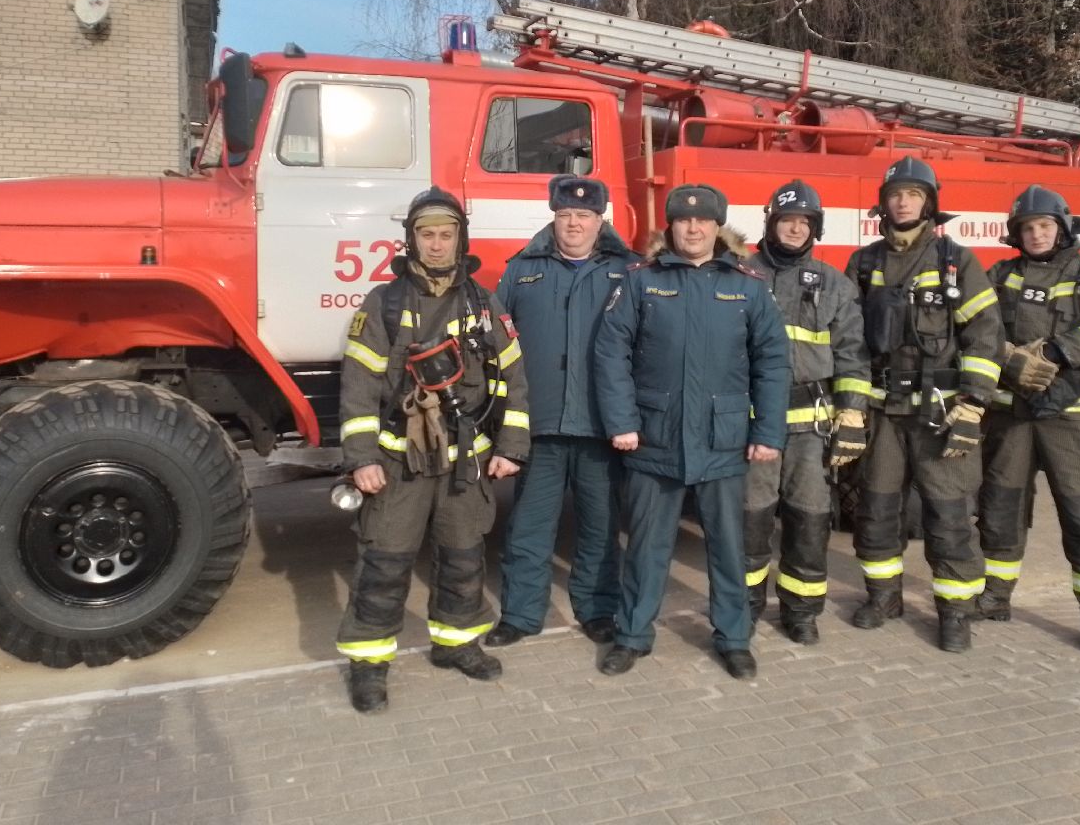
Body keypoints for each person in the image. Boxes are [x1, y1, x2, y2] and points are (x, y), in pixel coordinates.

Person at [335, 187, 530, 713]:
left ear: (460, 239)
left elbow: (514, 377)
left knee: (464, 558)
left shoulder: (484, 304)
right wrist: (362, 459)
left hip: (465, 462)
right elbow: (358, 387)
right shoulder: (383, 304)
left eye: (446, 234)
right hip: (397, 462)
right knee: (384, 562)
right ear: (411, 239)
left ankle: (456, 643)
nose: (437, 244)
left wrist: (511, 446)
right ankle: (369, 663)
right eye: (427, 235)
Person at [593, 183, 789, 679]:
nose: (694, 228)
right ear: (671, 226)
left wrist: (768, 432)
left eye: (703, 221)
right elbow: (611, 352)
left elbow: (772, 363)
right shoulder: (642, 281)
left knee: (728, 548)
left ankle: (734, 639)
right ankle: (632, 635)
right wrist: (622, 422)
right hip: (654, 436)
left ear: (717, 227)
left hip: (723, 439)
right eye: (683, 220)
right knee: (646, 547)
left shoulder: (748, 286)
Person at [845, 156, 1003, 653]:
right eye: (895, 194)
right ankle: (883, 597)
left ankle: (954, 612)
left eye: (913, 194)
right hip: (882, 413)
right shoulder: (864, 263)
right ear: (883, 204)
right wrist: (850, 405)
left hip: (941, 412)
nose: (903, 202)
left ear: (929, 203)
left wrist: (973, 404)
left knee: (949, 515)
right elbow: (848, 340)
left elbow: (985, 334)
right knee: (876, 510)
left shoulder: (956, 261)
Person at [976, 185, 1080, 656]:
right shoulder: (999, 276)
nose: (1037, 234)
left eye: (1045, 225)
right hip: (1012, 418)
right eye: (1027, 227)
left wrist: (1054, 351)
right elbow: (973, 328)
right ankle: (994, 595)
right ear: (1016, 234)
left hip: (1076, 421)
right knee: (999, 511)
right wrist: (1008, 358)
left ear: (1063, 228)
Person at [485, 176, 637, 648]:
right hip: (540, 424)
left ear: (600, 220)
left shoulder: (629, 270)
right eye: (565, 214)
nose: (574, 223)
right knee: (529, 527)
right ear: (553, 217)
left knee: (599, 528)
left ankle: (598, 611)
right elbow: (497, 348)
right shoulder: (521, 270)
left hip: (600, 426)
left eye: (584, 215)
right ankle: (520, 614)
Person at [744, 180, 871, 645]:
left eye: (804, 222)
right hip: (751, 424)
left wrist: (852, 414)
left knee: (809, 517)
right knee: (749, 516)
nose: (795, 229)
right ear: (771, 223)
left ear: (815, 228)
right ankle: (744, 605)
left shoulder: (835, 284)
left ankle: (801, 611)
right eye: (787, 220)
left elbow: (853, 355)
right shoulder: (739, 274)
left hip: (810, 426)